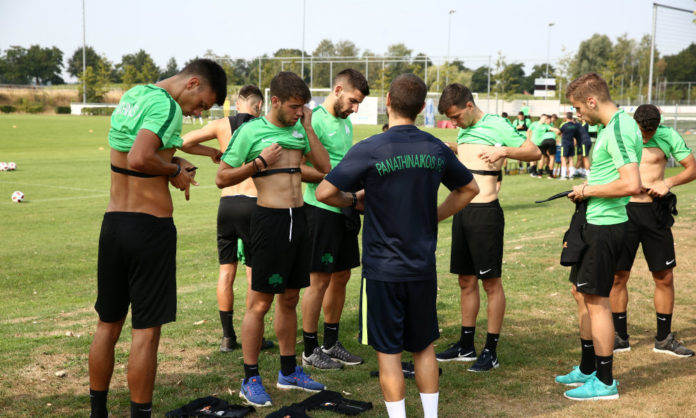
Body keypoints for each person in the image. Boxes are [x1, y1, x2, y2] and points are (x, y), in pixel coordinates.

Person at [315, 73, 479, 418]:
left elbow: (324, 192)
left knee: (388, 353)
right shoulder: (435, 147)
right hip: (421, 267)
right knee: (423, 348)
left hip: (382, 269)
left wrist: (354, 199)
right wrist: (433, 216)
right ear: (422, 107)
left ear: (388, 101)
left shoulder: (370, 147)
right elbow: (469, 189)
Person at [88, 59, 227, 418]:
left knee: (107, 325)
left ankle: (98, 412)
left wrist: (171, 160)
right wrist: (174, 169)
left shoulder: (135, 95)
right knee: (146, 333)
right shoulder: (168, 106)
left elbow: (132, 154)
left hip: (114, 224)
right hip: (148, 230)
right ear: (193, 83)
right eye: (202, 103)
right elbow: (140, 158)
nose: (198, 112)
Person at [215, 71, 331, 407]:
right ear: (275, 101)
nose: (299, 112)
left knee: (290, 298)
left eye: (303, 107)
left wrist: (308, 127)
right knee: (260, 303)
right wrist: (258, 163)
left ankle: (288, 371)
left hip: (300, 219)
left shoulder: (299, 129)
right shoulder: (251, 131)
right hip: (269, 222)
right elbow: (222, 177)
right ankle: (250, 378)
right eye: (294, 106)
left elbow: (324, 167)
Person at [436, 83, 541, 372]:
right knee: (465, 281)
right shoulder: (464, 128)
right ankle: (466, 345)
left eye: (456, 116)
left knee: (490, 283)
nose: (454, 122)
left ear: (469, 106)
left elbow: (534, 152)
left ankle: (490, 351)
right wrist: (452, 147)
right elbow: (471, 155)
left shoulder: (497, 124)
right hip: (461, 210)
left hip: (485, 215)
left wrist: (503, 151)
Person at [555, 73, 641, 401]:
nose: (577, 114)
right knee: (581, 293)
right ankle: (588, 367)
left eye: (578, 108)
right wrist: (586, 192)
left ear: (592, 101)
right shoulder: (609, 127)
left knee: (597, 301)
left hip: (605, 226)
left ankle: (605, 382)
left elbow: (631, 183)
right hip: (593, 221)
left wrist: (587, 190)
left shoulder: (619, 128)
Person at [181, 85, 274, 352]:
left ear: (237, 103)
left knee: (225, 271)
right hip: (253, 203)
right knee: (253, 272)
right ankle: (253, 336)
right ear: (259, 106)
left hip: (227, 205)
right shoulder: (264, 127)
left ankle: (227, 337)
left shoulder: (222, 125)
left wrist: (212, 152)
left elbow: (183, 142)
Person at [610, 104, 696, 357]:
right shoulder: (622, 135)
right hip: (623, 211)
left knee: (664, 276)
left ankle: (664, 339)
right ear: (634, 123)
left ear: (658, 125)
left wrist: (667, 182)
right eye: (642, 132)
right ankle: (619, 337)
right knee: (618, 276)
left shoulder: (668, 135)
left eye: (651, 132)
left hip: (655, 213)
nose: (646, 137)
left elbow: (692, 168)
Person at [300, 69, 370, 370]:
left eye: (359, 104)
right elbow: (298, 167)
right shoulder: (314, 120)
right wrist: (333, 182)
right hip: (320, 210)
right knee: (319, 281)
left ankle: (330, 342)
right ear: (338, 90)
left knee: (342, 276)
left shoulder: (346, 123)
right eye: (353, 101)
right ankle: (309, 349)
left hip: (346, 208)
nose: (355, 108)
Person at [559, 112, 582, 180]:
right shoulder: (574, 126)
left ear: (566, 117)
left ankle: (563, 176)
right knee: (571, 159)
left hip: (565, 143)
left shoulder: (564, 125)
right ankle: (571, 175)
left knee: (563, 158)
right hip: (571, 143)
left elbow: (559, 132)